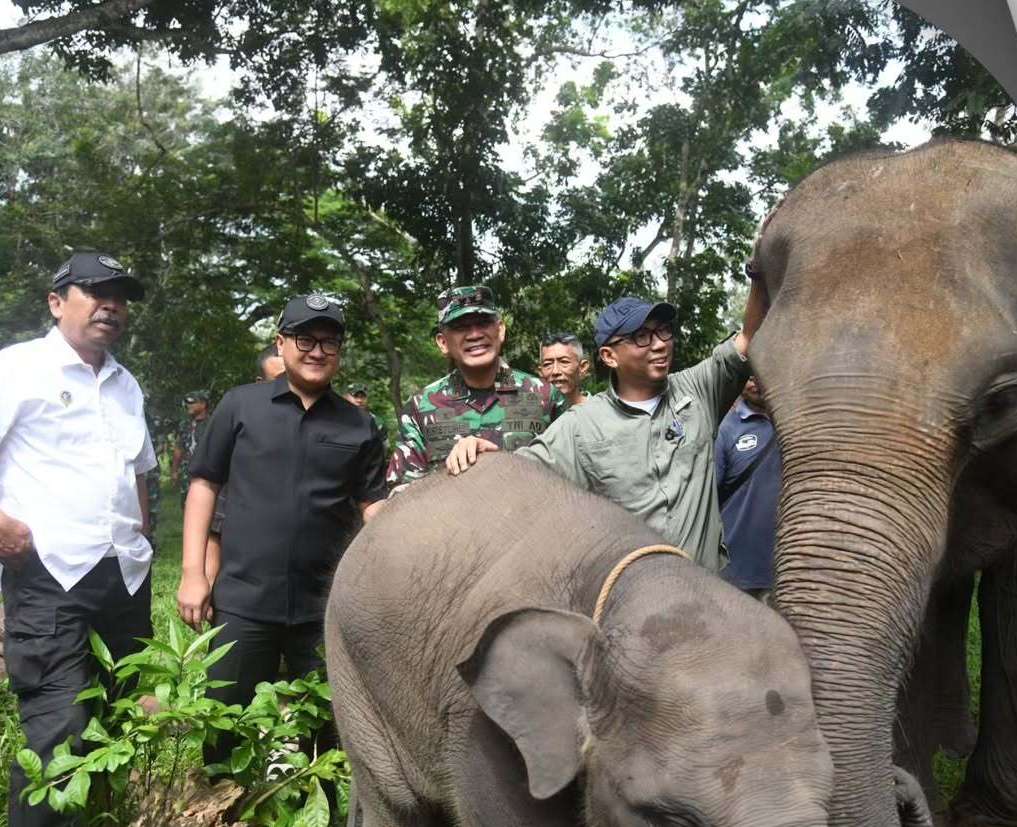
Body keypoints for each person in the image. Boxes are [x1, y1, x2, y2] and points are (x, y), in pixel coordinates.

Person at [175, 294, 388, 768]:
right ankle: (223, 805)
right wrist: (193, 573)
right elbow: (204, 484)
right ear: (281, 343)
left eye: (329, 341)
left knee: (329, 739)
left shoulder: (359, 425)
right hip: (243, 601)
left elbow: (372, 507)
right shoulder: (240, 406)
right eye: (305, 339)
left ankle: (320, 804)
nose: (317, 351)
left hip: (324, 607)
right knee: (225, 729)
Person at [447, 281, 768, 571]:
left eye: (663, 331)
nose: (659, 344)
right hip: (633, 603)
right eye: (641, 337)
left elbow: (751, 336)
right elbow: (521, 477)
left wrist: (758, 272)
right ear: (609, 356)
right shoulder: (581, 427)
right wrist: (480, 452)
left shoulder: (698, 391)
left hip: (709, 597)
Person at [0, 251, 154, 827]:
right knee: (61, 731)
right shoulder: (18, 368)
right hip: (51, 575)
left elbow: (139, 471)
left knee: (120, 723)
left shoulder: (125, 384)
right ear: (56, 302)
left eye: (119, 298)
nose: (110, 306)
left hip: (124, 578)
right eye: (95, 292)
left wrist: (140, 536)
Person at [387, 285, 567, 488]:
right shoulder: (420, 407)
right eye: (460, 327)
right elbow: (402, 493)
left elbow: (571, 477)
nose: (474, 334)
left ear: (500, 330)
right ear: (443, 342)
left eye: (483, 322)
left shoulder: (545, 396)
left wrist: (500, 460)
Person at [203, 343, 288, 590]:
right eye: (278, 380)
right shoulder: (241, 437)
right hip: (247, 581)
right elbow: (215, 523)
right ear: (259, 383)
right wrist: (205, 581)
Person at [715, 376, 780, 600]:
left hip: (789, 568)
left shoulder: (795, 424)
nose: (755, 382)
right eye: (748, 376)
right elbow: (708, 498)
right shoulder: (725, 429)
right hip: (737, 569)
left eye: (759, 373)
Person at [171, 390, 211, 508]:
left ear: (203, 404)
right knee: (186, 505)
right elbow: (179, 449)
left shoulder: (212, 424)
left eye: (192, 402)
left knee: (205, 506)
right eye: (187, 402)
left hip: (205, 474)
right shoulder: (185, 425)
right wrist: (174, 471)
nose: (188, 405)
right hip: (187, 474)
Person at [538, 332, 590, 406]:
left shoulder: (600, 409)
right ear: (540, 372)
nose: (555, 371)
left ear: (582, 367)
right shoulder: (536, 410)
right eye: (548, 364)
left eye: (564, 362)